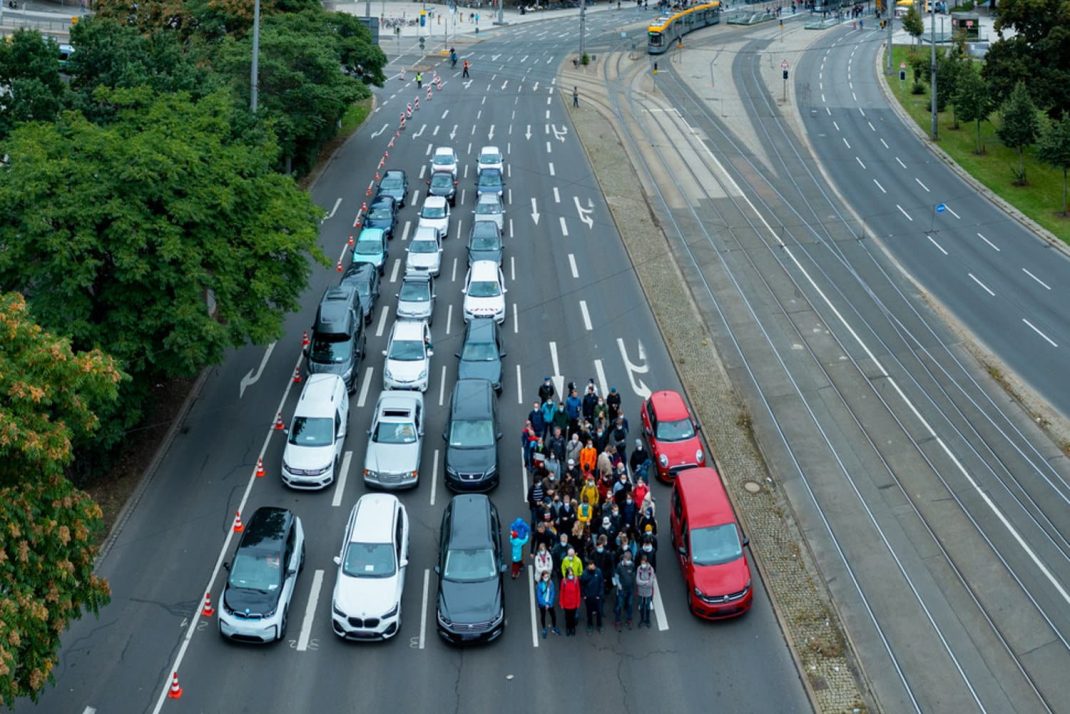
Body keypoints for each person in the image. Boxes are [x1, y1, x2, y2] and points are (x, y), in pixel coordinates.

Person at [614, 550, 636, 630]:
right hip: (622, 590)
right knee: (619, 606)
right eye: (627, 560)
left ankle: (629, 619)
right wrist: (619, 585)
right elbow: (616, 576)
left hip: (629, 589)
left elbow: (633, 574)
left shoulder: (632, 565)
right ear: (624, 558)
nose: (628, 562)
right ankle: (617, 621)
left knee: (629, 605)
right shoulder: (619, 566)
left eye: (629, 560)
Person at [536, 571, 561, 637]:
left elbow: (552, 593)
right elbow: (539, 597)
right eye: (545, 577)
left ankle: (554, 627)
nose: (546, 578)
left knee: (553, 615)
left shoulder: (551, 583)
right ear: (542, 577)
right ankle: (544, 629)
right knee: (543, 616)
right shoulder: (539, 585)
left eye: (547, 576)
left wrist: (549, 603)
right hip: (543, 604)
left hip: (550, 604)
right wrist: (545, 604)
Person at [581, 561, 604, 632]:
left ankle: (599, 625)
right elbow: (582, 585)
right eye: (590, 566)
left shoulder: (598, 571)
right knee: (589, 612)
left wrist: (600, 594)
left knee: (599, 611)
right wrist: (584, 595)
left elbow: (601, 583)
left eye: (593, 565)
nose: (592, 567)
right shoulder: (584, 574)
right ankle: (590, 625)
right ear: (587, 566)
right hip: (588, 597)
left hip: (597, 596)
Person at [636, 553, 656, 628]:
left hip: (648, 592)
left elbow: (650, 583)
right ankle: (642, 619)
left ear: (647, 562)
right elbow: (637, 581)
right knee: (641, 606)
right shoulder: (639, 569)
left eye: (644, 563)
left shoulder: (651, 569)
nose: (642, 564)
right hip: (641, 592)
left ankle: (647, 620)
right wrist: (645, 582)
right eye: (641, 563)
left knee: (647, 606)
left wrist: (642, 583)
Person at [560, 569, 582, 635]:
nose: (571, 575)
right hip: (566, 603)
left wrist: (578, 603)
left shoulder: (576, 581)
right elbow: (562, 592)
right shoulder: (564, 581)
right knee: (567, 617)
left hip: (574, 603)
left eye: (572, 574)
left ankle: (573, 628)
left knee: (573, 617)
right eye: (569, 574)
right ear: (567, 574)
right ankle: (568, 628)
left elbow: (578, 592)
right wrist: (561, 603)